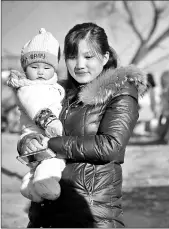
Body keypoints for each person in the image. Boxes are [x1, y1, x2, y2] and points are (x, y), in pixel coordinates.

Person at [17, 22, 148, 228]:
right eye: (72, 56)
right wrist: (30, 143)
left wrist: (53, 144)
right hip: (46, 212)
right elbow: (33, 129)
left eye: (88, 57)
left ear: (104, 58)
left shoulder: (120, 92)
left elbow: (110, 146)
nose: (79, 64)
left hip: (90, 212)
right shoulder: (57, 93)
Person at [7, 28, 66, 202]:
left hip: (43, 135)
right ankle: (44, 184)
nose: (40, 71)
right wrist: (51, 122)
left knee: (42, 162)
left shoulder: (54, 87)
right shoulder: (27, 88)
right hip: (39, 133)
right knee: (53, 163)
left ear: (53, 68)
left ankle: (29, 185)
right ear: (26, 68)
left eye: (46, 67)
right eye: (34, 67)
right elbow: (36, 107)